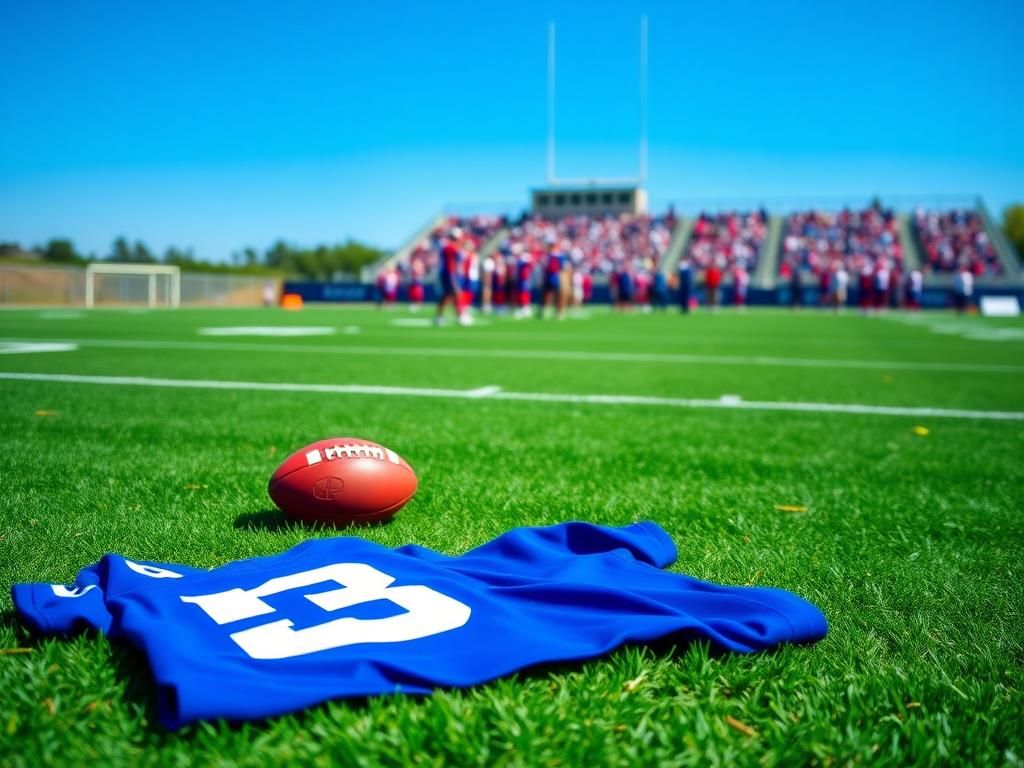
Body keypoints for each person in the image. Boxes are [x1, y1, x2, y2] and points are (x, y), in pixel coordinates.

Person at [435, 228, 470, 326]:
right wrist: (452, 277)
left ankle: (440, 316)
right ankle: (460, 316)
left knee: (448, 295)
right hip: (450, 274)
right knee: (456, 294)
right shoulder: (450, 247)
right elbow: (451, 264)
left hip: (451, 274)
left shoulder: (450, 246)